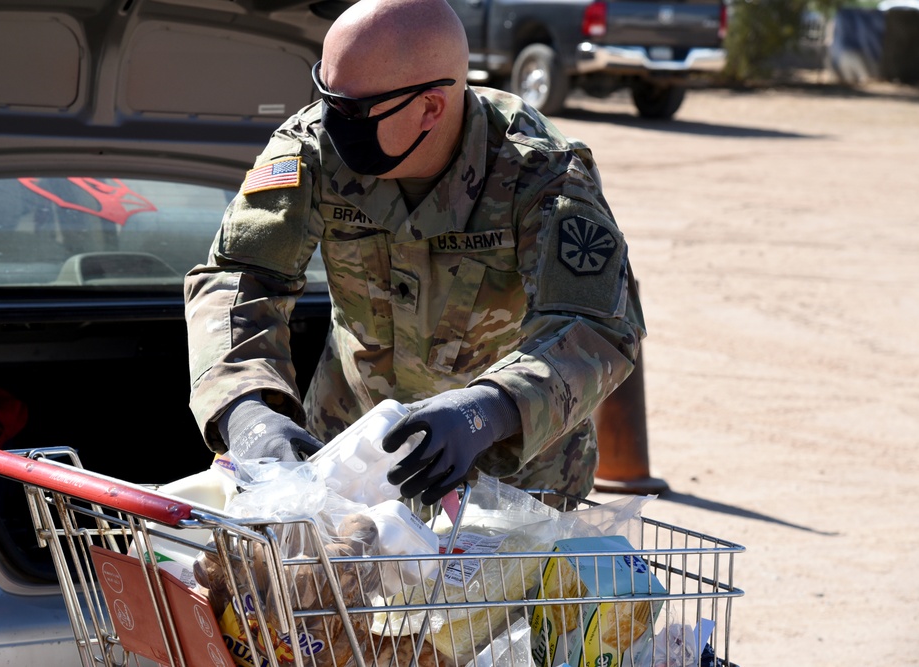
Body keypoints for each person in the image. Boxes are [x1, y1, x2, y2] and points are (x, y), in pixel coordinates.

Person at [184, 0, 646, 506]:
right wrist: (250, 413)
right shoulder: (312, 148)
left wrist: (487, 409)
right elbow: (237, 282)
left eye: (354, 110)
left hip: (512, 484)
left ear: (431, 106)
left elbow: (597, 326)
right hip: (348, 462)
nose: (331, 120)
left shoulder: (539, 174)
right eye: (326, 94)